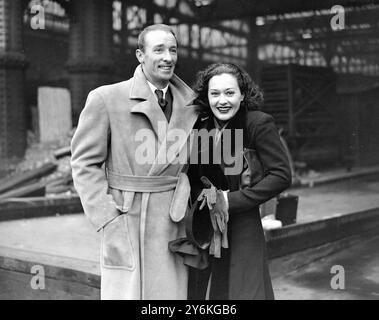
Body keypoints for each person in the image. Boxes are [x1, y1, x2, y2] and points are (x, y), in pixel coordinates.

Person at [70, 24, 198, 300]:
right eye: (159, 50)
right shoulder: (106, 98)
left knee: (168, 296)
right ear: (140, 55)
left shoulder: (192, 105)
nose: (168, 57)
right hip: (126, 217)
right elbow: (83, 163)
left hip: (172, 220)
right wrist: (107, 217)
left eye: (173, 50)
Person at [187, 63, 292, 300]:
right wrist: (206, 199)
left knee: (245, 290)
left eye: (229, 93)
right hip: (208, 223)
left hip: (244, 223)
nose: (222, 101)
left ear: (242, 94)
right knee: (210, 293)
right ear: (207, 96)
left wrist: (228, 200)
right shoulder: (201, 127)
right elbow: (193, 175)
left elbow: (281, 175)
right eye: (215, 94)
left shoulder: (257, 123)